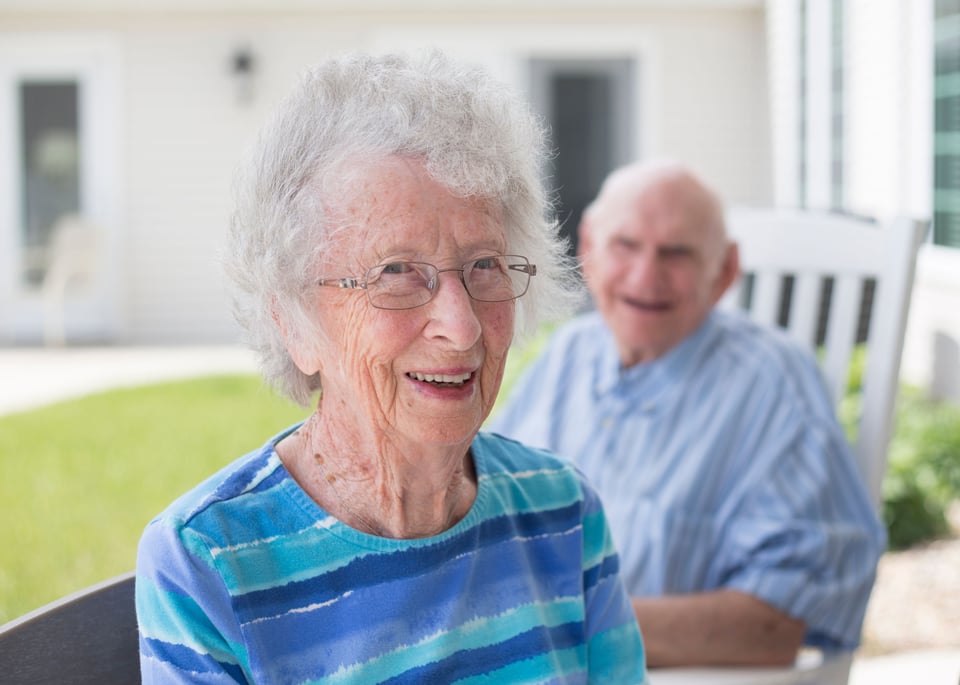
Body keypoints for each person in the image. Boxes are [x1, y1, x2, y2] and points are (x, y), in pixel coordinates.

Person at [134, 51, 647, 684]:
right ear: (296, 322)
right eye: (397, 273)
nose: (460, 327)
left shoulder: (563, 514)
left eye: (484, 264)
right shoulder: (210, 563)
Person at [489, 159, 886, 668]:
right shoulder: (567, 353)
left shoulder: (772, 385)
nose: (645, 276)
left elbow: (777, 623)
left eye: (676, 253)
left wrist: (555, 627)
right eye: (625, 246)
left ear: (723, 272)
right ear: (589, 247)